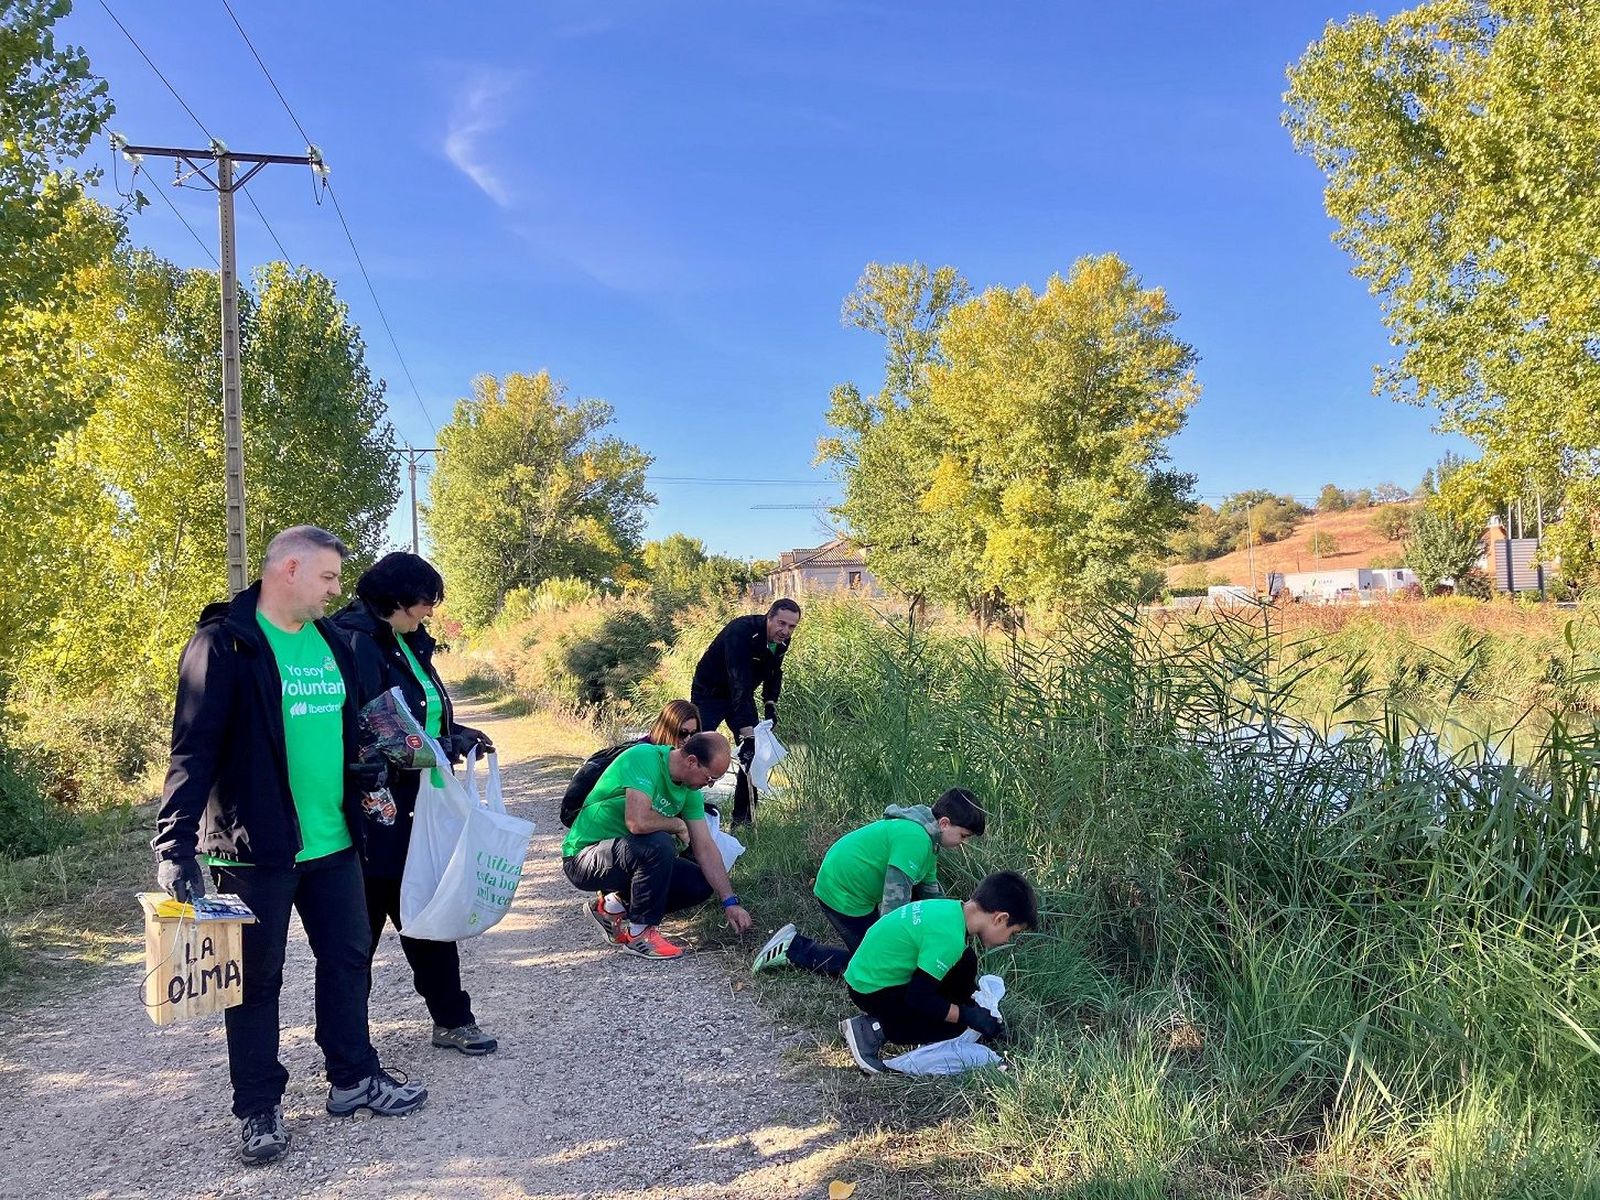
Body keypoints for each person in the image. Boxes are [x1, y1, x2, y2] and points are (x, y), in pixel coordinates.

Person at [152, 526, 427, 1168]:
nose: (336, 591)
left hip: (334, 841)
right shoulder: (226, 643)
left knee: (349, 959)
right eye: (328, 578)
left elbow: (351, 728)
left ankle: (353, 1077)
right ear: (290, 570)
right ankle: (258, 1108)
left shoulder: (332, 641)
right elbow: (192, 749)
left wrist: (371, 774)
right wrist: (175, 846)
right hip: (255, 849)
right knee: (255, 982)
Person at [330, 551, 498, 1058]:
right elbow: (371, 728)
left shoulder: (408, 640)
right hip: (372, 811)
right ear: (398, 599)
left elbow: (419, 712)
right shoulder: (356, 642)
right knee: (358, 935)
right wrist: (442, 747)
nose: (430, 611)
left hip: (416, 804)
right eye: (426, 601)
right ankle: (350, 1051)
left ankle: (453, 1020)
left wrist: (456, 732)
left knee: (427, 912)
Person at [751, 788, 986, 978]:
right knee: (874, 964)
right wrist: (897, 946)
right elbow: (894, 900)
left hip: (851, 886)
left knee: (888, 958)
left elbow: (929, 893)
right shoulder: (915, 839)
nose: (964, 843)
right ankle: (792, 949)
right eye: (964, 836)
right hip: (842, 891)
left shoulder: (928, 841)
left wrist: (956, 924)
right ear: (944, 823)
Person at [561, 730, 754, 958]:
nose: (710, 786)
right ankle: (640, 934)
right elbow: (637, 822)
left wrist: (730, 901)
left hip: (626, 856)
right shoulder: (644, 758)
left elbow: (705, 847)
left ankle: (611, 907)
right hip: (584, 857)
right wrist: (678, 825)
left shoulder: (689, 789)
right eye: (710, 778)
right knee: (659, 844)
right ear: (692, 761)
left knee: (699, 882)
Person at [838, 870, 1037, 1074]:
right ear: (1000, 919)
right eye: (1012, 933)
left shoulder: (951, 910)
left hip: (868, 972)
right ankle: (873, 1029)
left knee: (966, 961)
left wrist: (972, 1009)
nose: (1007, 940)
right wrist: (967, 1016)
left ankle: (948, 1013)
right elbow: (919, 997)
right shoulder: (949, 938)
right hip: (870, 989)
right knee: (954, 1027)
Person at [690, 599, 801, 825]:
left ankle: (743, 820)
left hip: (742, 693)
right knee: (696, 747)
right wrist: (746, 731)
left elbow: (774, 673)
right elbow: (738, 681)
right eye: (781, 623)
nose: (785, 631)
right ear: (769, 617)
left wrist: (770, 704)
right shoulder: (740, 631)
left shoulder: (781, 640)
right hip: (710, 692)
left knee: (754, 751)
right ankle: (685, 808)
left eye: (792, 626)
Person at [558, 700, 701, 829]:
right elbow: (639, 820)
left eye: (693, 734)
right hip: (600, 823)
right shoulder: (643, 756)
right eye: (682, 733)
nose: (687, 740)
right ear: (667, 729)